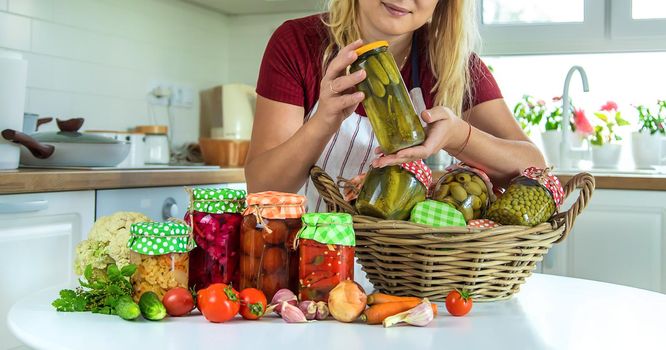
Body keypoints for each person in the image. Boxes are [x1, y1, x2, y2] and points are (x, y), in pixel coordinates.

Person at [245, 0, 545, 212]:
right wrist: (322, 122)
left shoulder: (452, 66)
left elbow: (535, 167)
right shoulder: (297, 44)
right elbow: (262, 188)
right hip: (309, 268)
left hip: (403, 277)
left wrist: (459, 137)